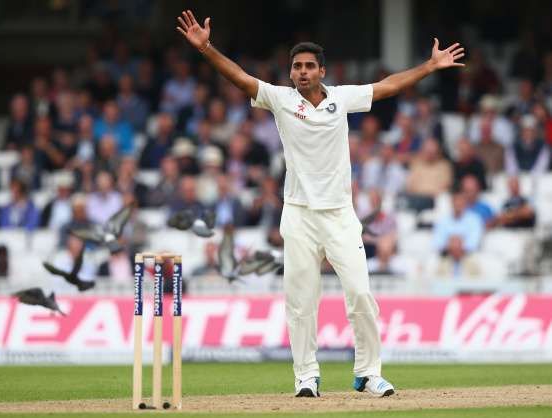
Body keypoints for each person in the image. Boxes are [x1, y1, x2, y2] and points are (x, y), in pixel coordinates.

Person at [176, 8, 464, 398]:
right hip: (297, 213)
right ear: (291, 72)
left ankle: (367, 373)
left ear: (322, 71)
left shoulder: (342, 99)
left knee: (361, 293)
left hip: (340, 214)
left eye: (310, 66)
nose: (303, 71)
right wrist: (207, 49)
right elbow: (241, 78)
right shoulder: (279, 99)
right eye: (297, 66)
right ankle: (306, 376)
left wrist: (429, 67)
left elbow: (388, 86)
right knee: (300, 301)